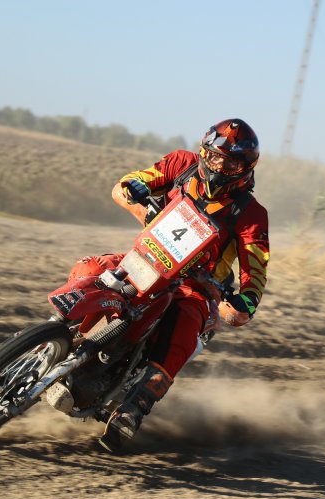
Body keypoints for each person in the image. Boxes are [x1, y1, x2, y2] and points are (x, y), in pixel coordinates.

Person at [82, 119, 270, 452]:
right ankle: (58, 332)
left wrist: (246, 302)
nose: (220, 167)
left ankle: (136, 406)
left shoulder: (251, 214)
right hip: (145, 259)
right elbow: (132, 181)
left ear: (245, 169)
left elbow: (255, 271)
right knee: (90, 268)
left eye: (230, 163)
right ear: (204, 152)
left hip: (195, 287)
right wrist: (135, 189)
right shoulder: (181, 164)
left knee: (185, 321)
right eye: (215, 157)